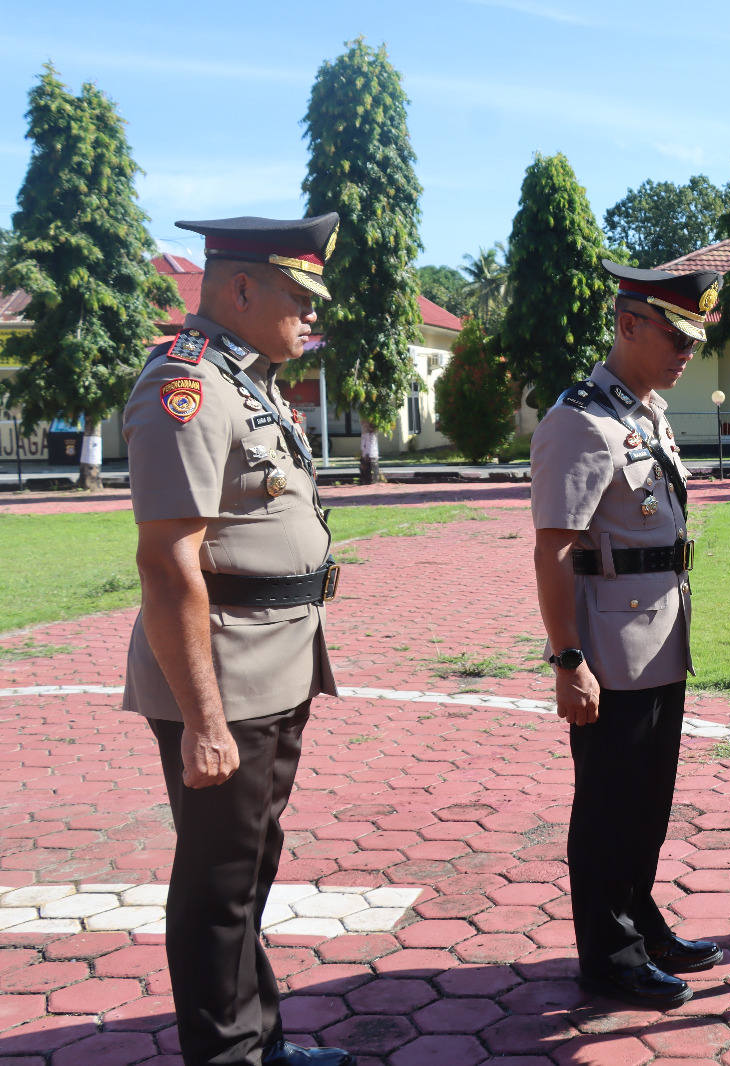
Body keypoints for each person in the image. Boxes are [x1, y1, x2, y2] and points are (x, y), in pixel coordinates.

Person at [123, 214, 351, 1066]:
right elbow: (168, 559)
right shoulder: (186, 385)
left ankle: (262, 1043)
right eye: (298, 297)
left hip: (275, 661)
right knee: (218, 885)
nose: (309, 316)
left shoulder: (243, 380)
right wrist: (205, 723)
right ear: (242, 288)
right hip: (223, 674)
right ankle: (225, 1056)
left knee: (250, 866)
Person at [529, 260, 725, 1010]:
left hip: (660, 638)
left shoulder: (643, 411)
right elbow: (553, 548)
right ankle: (608, 954)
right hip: (609, 649)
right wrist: (567, 658)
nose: (686, 353)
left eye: (692, 340)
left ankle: (640, 921)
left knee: (648, 801)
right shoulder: (581, 420)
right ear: (627, 324)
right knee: (610, 804)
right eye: (674, 337)